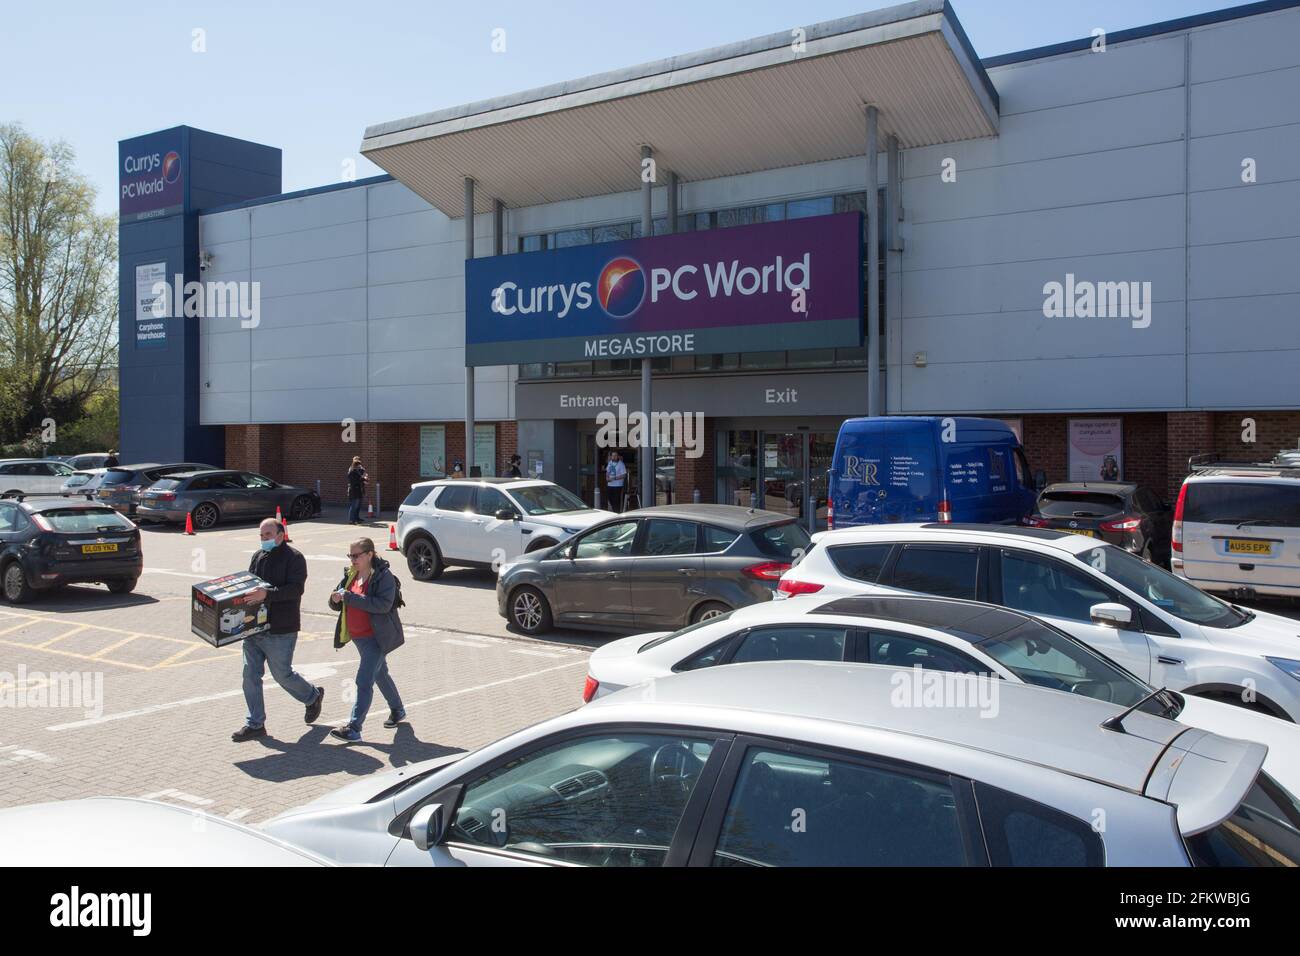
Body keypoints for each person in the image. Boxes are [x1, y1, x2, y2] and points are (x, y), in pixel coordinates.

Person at [231, 518, 324, 742]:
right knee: (250, 675)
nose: (264, 540)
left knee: (282, 674)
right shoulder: (258, 556)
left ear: (281, 535)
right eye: (261, 536)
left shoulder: (295, 558)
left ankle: (312, 696)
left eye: (268, 535)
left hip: (281, 628)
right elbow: (250, 582)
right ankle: (255, 723)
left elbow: (295, 589)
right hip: (254, 628)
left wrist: (268, 594)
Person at [328, 536, 406, 742]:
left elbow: (382, 605)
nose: (352, 559)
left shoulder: (383, 577)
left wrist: (348, 597)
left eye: (356, 555)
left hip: (376, 638)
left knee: (364, 680)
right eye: (350, 555)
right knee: (380, 674)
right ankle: (398, 710)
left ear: (369, 554)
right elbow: (338, 599)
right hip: (358, 637)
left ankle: (354, 728)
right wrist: (335, 598)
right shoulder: (351, 574)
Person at [346, 456, 367, 525]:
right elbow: (355, 481)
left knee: (358, 505)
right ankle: (351, 520)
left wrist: (364, 478)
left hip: (358, 490)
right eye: (358, 464)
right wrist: (363, 478)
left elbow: (362, 475)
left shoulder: (358, 470)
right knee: (354, 505)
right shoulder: (352, 471)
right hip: (354, 491)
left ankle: (356, 518)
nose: (359, 466)